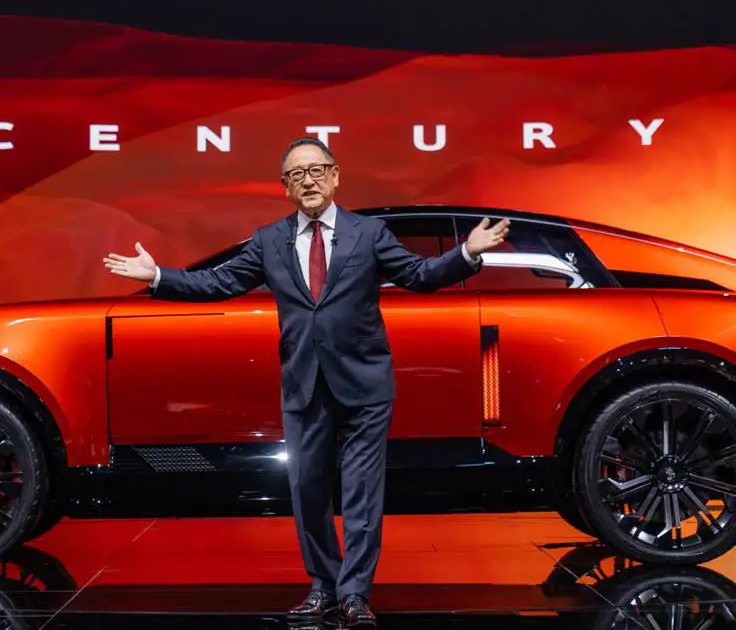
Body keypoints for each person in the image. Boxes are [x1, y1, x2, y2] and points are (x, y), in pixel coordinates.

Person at [103, 137, 509, 626]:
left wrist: (466, 253)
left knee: (361, 493)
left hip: (364, 385)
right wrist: (157, 277)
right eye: (297, 175)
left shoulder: (368, 233)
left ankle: (354, 593)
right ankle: (323, 586)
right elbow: (218, 282)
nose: (309, 181)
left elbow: (419, 275)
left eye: (317, 170)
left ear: (335, 176)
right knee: (307, 490)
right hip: (303, 385)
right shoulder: (269, 240)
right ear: (285, 187)